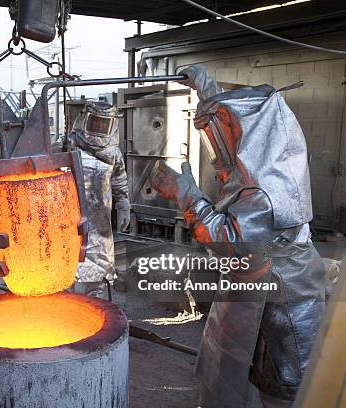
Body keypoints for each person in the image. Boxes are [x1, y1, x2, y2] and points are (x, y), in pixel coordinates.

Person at [151, 65, 325, 407]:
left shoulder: (267, 189)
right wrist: (207, 90)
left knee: (285, 389)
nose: (219, 151)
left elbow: (230, 239)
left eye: (224, 138)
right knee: (248, 377)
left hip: (283, 307)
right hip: (264, 287)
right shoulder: (270, 164)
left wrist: (185, 194)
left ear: (251, 137)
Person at [67, 101, 130, 298]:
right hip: (67, 218)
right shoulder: (67, 145)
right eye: (96, 122)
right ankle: (61, 313)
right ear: (85, 120)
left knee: (97, 269)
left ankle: (95, 310)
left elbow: (119, 181)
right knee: (64, 267)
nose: (99, 128)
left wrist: (123, 205)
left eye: (104, 124)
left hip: (99, 219)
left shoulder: (113, 153)